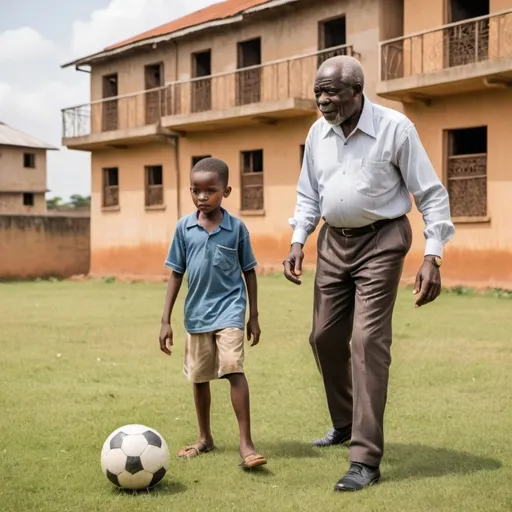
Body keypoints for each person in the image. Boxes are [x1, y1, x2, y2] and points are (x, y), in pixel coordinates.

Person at [283, 55, 455, 491]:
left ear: (357, 92)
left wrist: (433, 256)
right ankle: (344, 423)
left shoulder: (396, 129)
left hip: (381, 241)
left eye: (332, 92)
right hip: (332, 243)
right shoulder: (317, 132)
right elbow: (308, 193)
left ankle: (365, 460)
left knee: (367, 342)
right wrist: (298, 240)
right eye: (318, 91)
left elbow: (430, 194)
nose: (322, 99)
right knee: (323, 336)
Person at [159, 157, 267, 470]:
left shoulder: (237, 229)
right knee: (199, 376)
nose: (202, 197)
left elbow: (249, 271)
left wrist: (254, 315)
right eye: (195, 191)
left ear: (226, 191)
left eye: (210, 191)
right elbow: (176, 274)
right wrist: (165, 320)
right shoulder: (184, 227)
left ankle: (246, 445)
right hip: (197, 314)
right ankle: (204, 438)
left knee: (234, 368)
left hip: (231, 310)